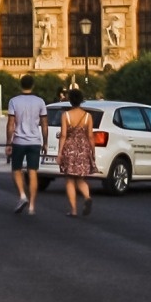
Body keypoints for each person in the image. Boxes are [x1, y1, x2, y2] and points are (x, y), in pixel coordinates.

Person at [5, 74, 47, 215]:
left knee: (16, 169)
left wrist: (8, 142)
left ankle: (22, 195)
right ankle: (32, 206)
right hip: (35, 141)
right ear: (33, 85)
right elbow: (44, 124)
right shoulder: (40, 102)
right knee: (33, 171)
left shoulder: (14, 101)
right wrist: (45, 142)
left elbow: (11, 124)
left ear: (20, 85)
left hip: (19, 141)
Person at [56, 89, 100, 220]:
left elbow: (63, 135)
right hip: (83, 148)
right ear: (81, 100)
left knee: (69, 180)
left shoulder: (66, 115)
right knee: (80, 179)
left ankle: (73, 210)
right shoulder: (88, 116)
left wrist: (59, 153)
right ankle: (87, 197)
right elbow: (91, 136)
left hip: (70, 148)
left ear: (70, 100)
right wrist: (93, 151)